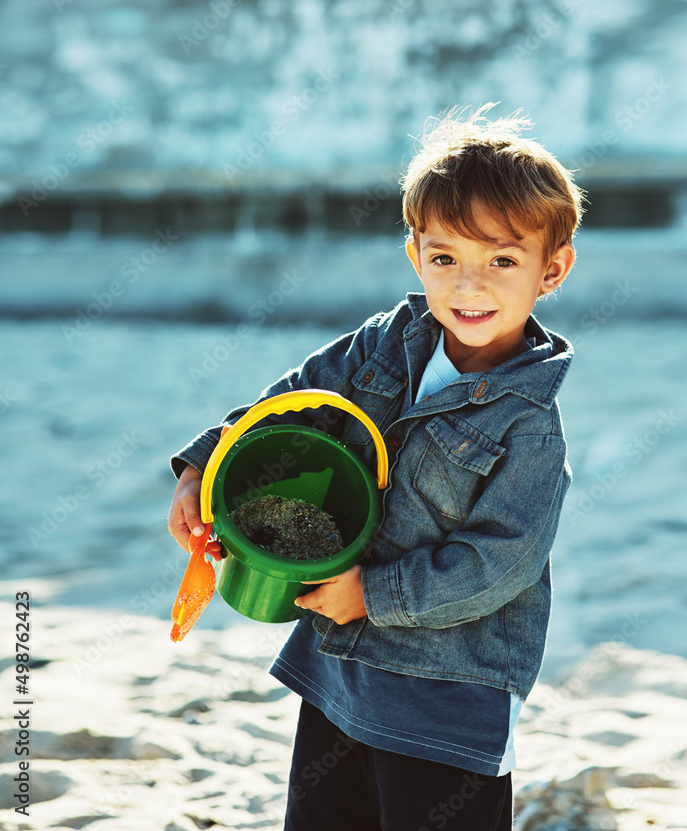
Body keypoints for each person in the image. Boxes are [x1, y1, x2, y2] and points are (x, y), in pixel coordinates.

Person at [168, 103, 586, 830]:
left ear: (551, 270)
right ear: (414, 255)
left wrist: (377, 593)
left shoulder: (527, 427)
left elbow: (501, 563)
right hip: (339, 671)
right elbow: (294, 404)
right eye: (444, 258)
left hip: (445, 697)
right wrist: (204, 466)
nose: (468, 286)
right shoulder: (386, 344)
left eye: (502, 261)